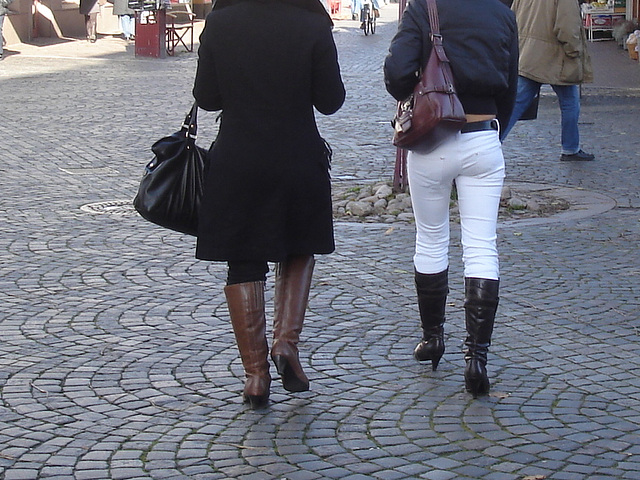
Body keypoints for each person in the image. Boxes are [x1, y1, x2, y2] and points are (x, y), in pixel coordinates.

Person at [192, 0, 345, 408]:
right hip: (297, 155)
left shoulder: (221, 21)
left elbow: (206, 98)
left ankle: (256, 376)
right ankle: (285, 345)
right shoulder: (312, 22)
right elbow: (331, 100)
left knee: (243, 258)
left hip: (239, 156)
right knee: (299, 244)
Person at [384, 0, 518, 397]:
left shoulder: (426, 7)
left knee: (430, 239)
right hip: (483, 136)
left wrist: (412, 90)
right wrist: (493, 131)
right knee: (481, 247)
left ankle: (433, 338)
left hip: (432, 140)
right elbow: (511, 86)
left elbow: (395, 72)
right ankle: (477, 358)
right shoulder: (501, 12)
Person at [500, 0, 595, 162]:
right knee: (570, 102)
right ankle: (570, 148)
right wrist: (574, 50)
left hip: (529, 53)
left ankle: (492, 142)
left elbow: (513, 15)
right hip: (556, 55)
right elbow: (567, 26)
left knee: (516, 103)